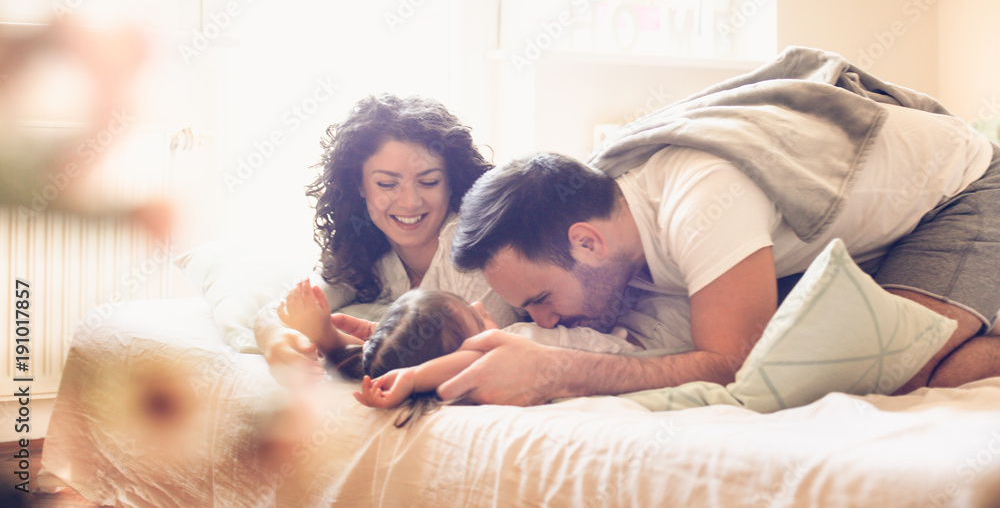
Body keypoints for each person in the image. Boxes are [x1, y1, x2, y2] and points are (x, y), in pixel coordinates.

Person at [436, 47, 1000, 406]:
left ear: (588, 242)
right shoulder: (601, 216)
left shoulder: (703, 195)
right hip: (855, 233)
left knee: (885, 369)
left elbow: (736, 365)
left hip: (962, 192)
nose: (543, 318)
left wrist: (562, 373)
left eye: (540, 300)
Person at [253, 94, 518, 384]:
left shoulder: (471, 250)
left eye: (429, 181)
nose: (410, 202)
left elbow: (488, 359)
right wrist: (272, 334)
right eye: (387, 184)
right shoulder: (367, 246)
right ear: (359, 185)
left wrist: (332, 340)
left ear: (451, 182)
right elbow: (294, 303)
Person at [278, 279, 658, 425]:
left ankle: (336, 342)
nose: (479, 305)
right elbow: (473, 361)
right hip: (636, 355)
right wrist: (411, 377)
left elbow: (395, 360)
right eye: (474, 322)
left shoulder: (504, 338)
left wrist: (363, 341)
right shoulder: (493, 359)